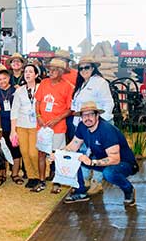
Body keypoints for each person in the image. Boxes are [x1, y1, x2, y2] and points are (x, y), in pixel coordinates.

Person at [61, 102, 137, 206]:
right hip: (102, 160)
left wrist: (92, 162)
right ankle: (81, 192)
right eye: (84, 115)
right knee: (75, 158)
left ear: (97, 115)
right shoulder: (82, 126)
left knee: (108, 173)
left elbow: (115, 159)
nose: (87, 118)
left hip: (124, 163)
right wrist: (57, 154)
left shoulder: (106, 130)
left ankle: (128, 189)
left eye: (91, 114)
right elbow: (73, 146)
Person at [71, 55, 114, 195]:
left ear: (93, 68)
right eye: (81, 68)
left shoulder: (100, 83)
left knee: (98, 154)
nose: (83, 70)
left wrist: (100, 124)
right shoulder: (81, 84)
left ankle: (97, 182)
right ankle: (85, 180)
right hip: (83, 126)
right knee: (84, 152)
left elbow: (108, 104)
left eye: (87, 67)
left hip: (97, 125)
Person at [33, 58, 73, 194]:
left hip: (58, 127)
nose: (51, 72)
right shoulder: (43, 83)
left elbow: (70, 109)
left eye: (55, 70)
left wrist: (57, 119)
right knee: (41, 153)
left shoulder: (67, 86)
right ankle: (42, 181)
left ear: (61, 72)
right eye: (50, 69)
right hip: (43, 127)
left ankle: (57, 182)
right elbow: (37, 102)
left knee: (57, 155)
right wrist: (38, 117)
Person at [10, 64, 41, 189]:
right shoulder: (19, 91)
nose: (27, 74)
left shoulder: (41, 88)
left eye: (30, 72)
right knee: (24, 152)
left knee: (34, 153)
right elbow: (14, 110)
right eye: (26, 72)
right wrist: (13, 130)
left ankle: (39, 175)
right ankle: (31, 176)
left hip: (36, 126)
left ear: (36, 75)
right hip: (21, 125)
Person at [0, 64, 23, 185]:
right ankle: (2, 174)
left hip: (14, 125)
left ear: (8, 78)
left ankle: (15, 174)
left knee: (15, 149)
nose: (2, 81)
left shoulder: (16, 90)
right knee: (1, 150)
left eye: (4, 78)